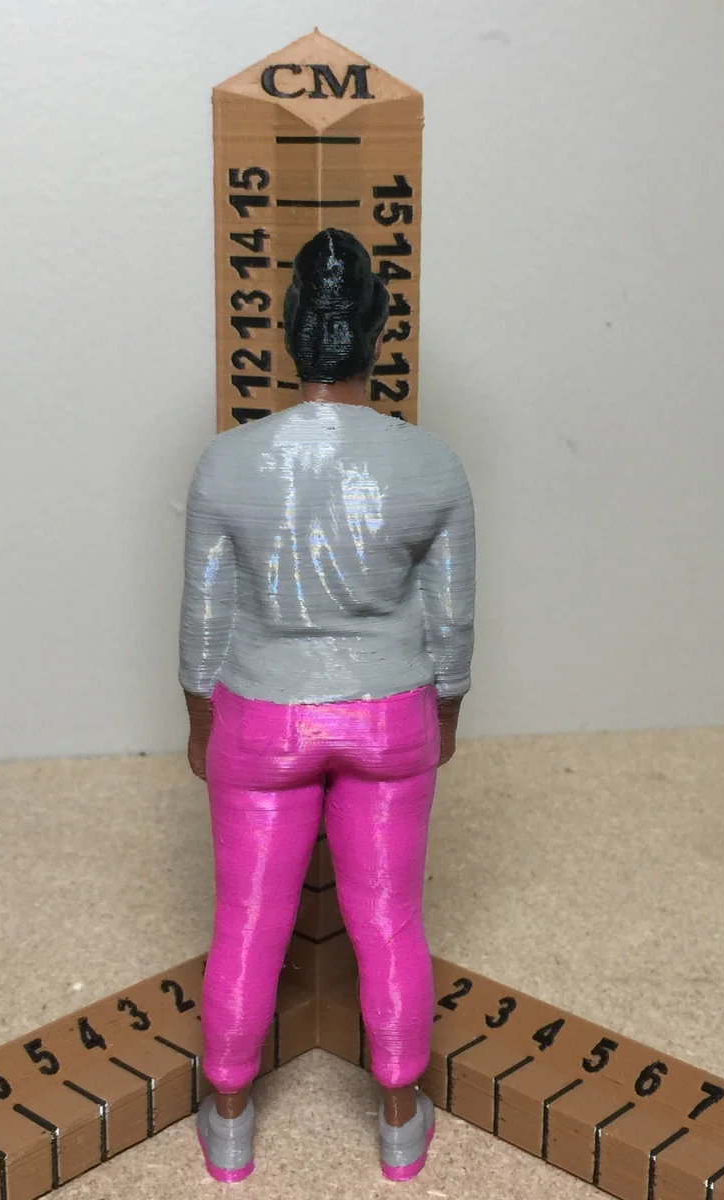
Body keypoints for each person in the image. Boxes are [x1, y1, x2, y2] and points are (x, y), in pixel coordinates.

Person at [178, 227, 475, 1182]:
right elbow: (452, 623)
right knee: (389, 920)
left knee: (247, 920)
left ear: (289, 332)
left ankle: (230, 1117)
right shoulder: (432, 464)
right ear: (378, 335)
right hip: (390, 716)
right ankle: (399, 1116)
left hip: (262, 720)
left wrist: (201, 722)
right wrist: (446, 716)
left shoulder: (228, 462)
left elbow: (205, 618)